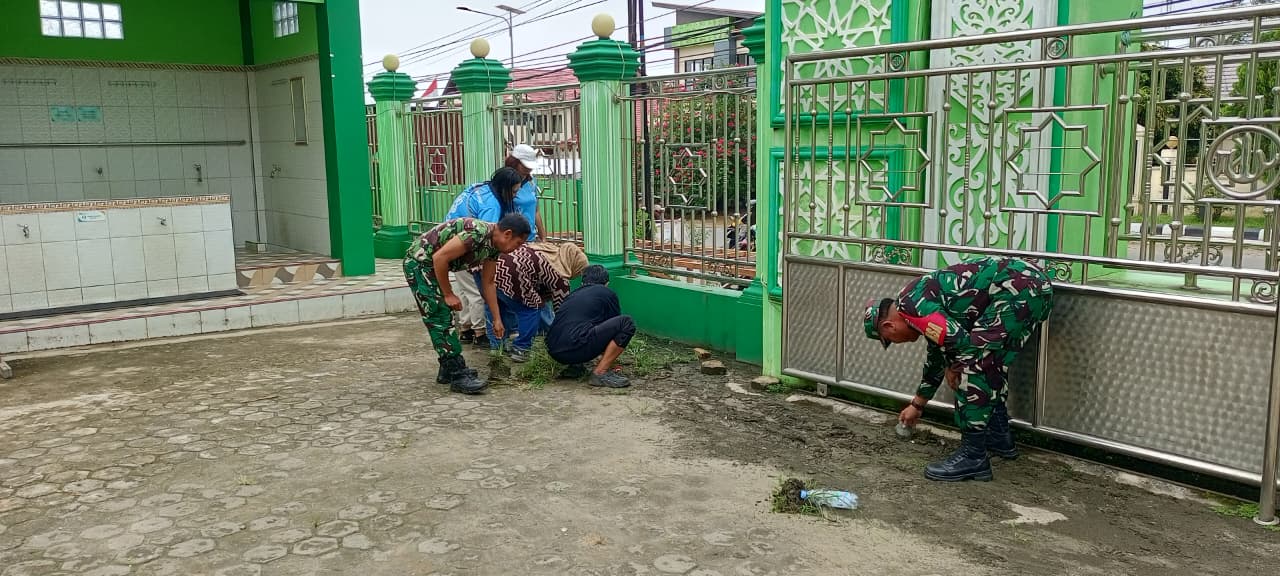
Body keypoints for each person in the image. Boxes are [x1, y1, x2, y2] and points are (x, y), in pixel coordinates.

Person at [863, 256, 1054, 482]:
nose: (897, 342)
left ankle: (973, 457)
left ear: (888, 326)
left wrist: (954, 366)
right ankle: (999, 438)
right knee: (990, 360)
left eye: (890, 339)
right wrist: (917, 405)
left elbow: (962, 344)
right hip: (1028, 288)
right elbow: (936, 357)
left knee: (972, 365)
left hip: (1018, 289)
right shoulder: (916, 305)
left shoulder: (912, 305)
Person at [403, 214, 531, 394]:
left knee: (442, 314)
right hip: (420, 263)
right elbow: (440, 258)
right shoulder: (478, 233)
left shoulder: (494, 245)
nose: (516, 249)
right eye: (518, 243)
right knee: (439, 315)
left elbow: (488, 283)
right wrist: (448, 294)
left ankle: (447, 369)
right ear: (508, 234)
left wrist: (496, 318)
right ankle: (457, 372)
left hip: (434, 264)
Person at [444, 167, 524, 345]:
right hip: (461, 246)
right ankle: (481, 333)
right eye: (514, 192)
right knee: (477, 292)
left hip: (451, 239)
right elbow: (491, 240)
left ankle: (466, 329)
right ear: (505, 188)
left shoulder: (481, 188)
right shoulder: (491, 208)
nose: (515, 196)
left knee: (464, 288)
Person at [486, 242, 588, 362]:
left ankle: (497, 347)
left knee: (496, 309)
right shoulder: (560, 275)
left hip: (492, 270)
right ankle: (521, 349)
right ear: (574, 264)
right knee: (531, 309)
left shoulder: (548, 249)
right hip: (513, 274)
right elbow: (561, 311)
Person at [546, 265, 636, 389]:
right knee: (626, 323)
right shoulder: (607, 293)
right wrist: (608, 359)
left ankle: (576, 366)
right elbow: (615, 330)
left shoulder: (572, 295)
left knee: (582, 326)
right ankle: (600, 372)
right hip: (577, 346)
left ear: (583, 282)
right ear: (607, 283)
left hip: (554, 351)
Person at [506, 144, 547, 242]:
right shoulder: (505, 182)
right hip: (511, 240)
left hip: (529, 239)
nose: (528, 170)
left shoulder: (531, 182)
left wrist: (543, 238)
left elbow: (536, 211)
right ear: (515, 163)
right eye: (525, 166)